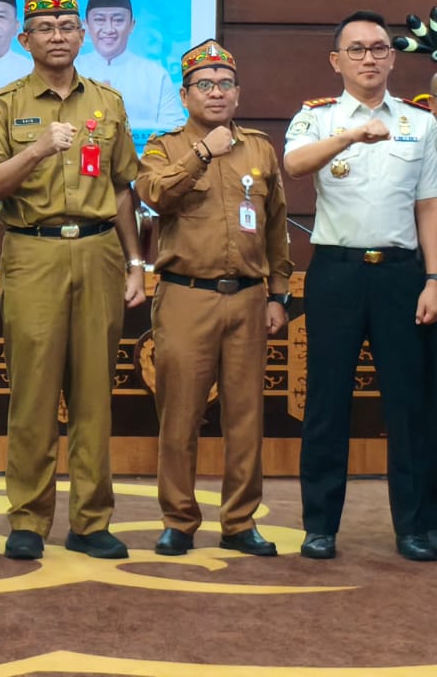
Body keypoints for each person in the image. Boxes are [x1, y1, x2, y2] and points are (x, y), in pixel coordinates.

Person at [0, 0, 145, 561]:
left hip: (99, 251)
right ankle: (28, 518)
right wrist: (39, 148)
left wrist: (135, 262)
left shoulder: (108, 102)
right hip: (33, 250)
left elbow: (122, 188)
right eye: (45, 27)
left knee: (95, 395)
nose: (58, 35)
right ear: (24, 39)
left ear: (82, 34)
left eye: (68, 26)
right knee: (34, 394)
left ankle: (92, 521)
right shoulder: (2, 105)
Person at [282, 10, 437, 562]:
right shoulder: (316, 117)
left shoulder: (421, 123)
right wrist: (351, 134)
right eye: (356, 49)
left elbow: (428, 205)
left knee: (410, 404)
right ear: (336, 61)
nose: (368, 58)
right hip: (336, 272)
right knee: (326, 401)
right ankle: (320, 526)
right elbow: (294, 166)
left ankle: (415, 526)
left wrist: (433, 278)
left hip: (402, 275)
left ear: (392, 58)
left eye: (378, 48)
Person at [137, 40, 291, 558]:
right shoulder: (164, 147)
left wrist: (278, 295)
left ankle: (240, 522)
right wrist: (203, 153)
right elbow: (153, 194)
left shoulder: (260, 149)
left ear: (238, 93)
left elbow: (275, 228)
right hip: (187, 296)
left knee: (245, 419)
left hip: (248, 299)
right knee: (179, 416)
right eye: (204, 85)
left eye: (225, 84)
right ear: (185, 95)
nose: (217, 92)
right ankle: (179, 521)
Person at [75, 0, 182, 131]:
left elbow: (175, 129)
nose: (109, 29)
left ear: (132, 24)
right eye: (99, 20)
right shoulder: (71, 70)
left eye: (118, 20)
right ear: (86, 24)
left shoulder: (155, 75)